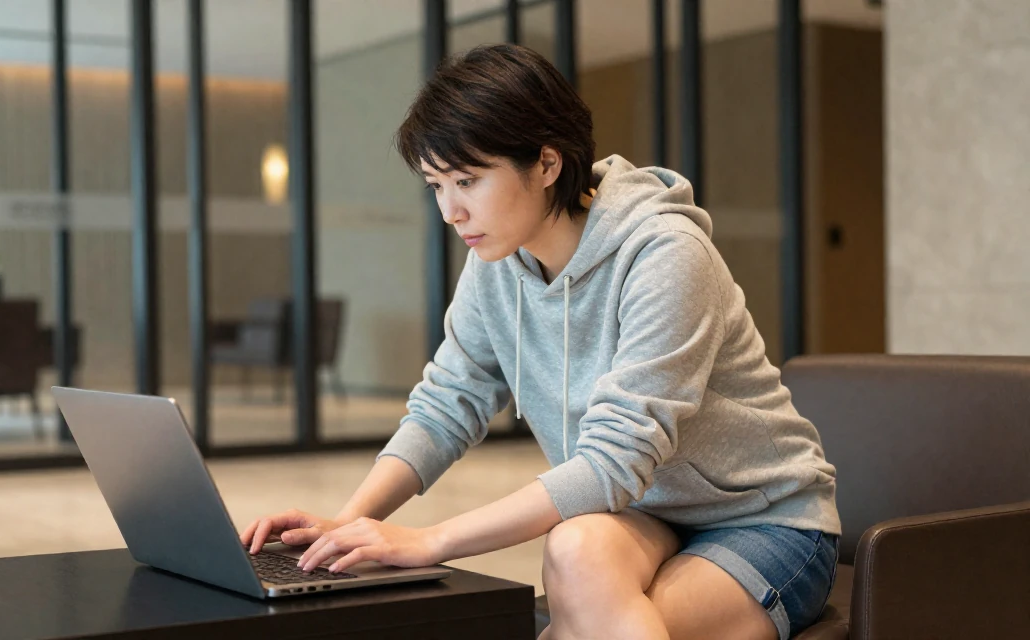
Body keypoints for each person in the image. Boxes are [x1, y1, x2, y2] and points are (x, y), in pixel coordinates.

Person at [239, 44, 840, 640]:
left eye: (468, 180)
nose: (451, 211)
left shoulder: (665, 255)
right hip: (643, 514)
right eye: (437, 186)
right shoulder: (497, 261)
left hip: (763, 522)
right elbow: (447, 404)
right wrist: (347, 523)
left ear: (548, 164)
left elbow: (614, 459)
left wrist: (430, 540)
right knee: (574, 545)